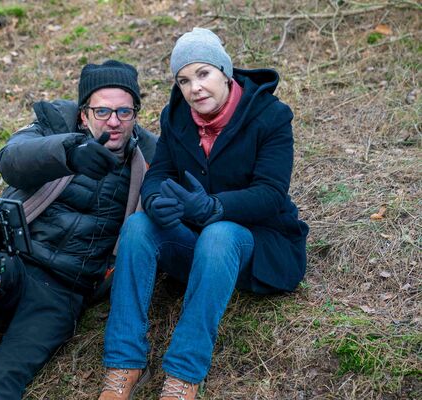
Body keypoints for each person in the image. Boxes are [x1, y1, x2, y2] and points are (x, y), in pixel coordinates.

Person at [97, 28, 309, 400]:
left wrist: (217, 207)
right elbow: (160, 171)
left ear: (224, 71)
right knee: (138, 226)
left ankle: (182, 376)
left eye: (203, 74)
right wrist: (155, 197)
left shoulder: (270, 116)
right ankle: (123, 364)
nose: (195, 88)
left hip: (257, 246)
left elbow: (272, 194)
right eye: (184, 80)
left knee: (220, 232)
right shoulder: (176, 116)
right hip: (197, 246)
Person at [0, 60, 157, 399]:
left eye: (124, 112)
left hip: (61, 291)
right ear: (83, 114)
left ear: (136, 114)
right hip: (13, 259)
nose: (113, 121)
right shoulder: (51, 124)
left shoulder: (150, 156)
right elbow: (12, 160)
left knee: (5, 380)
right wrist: (68, 152)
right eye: (102, 111)